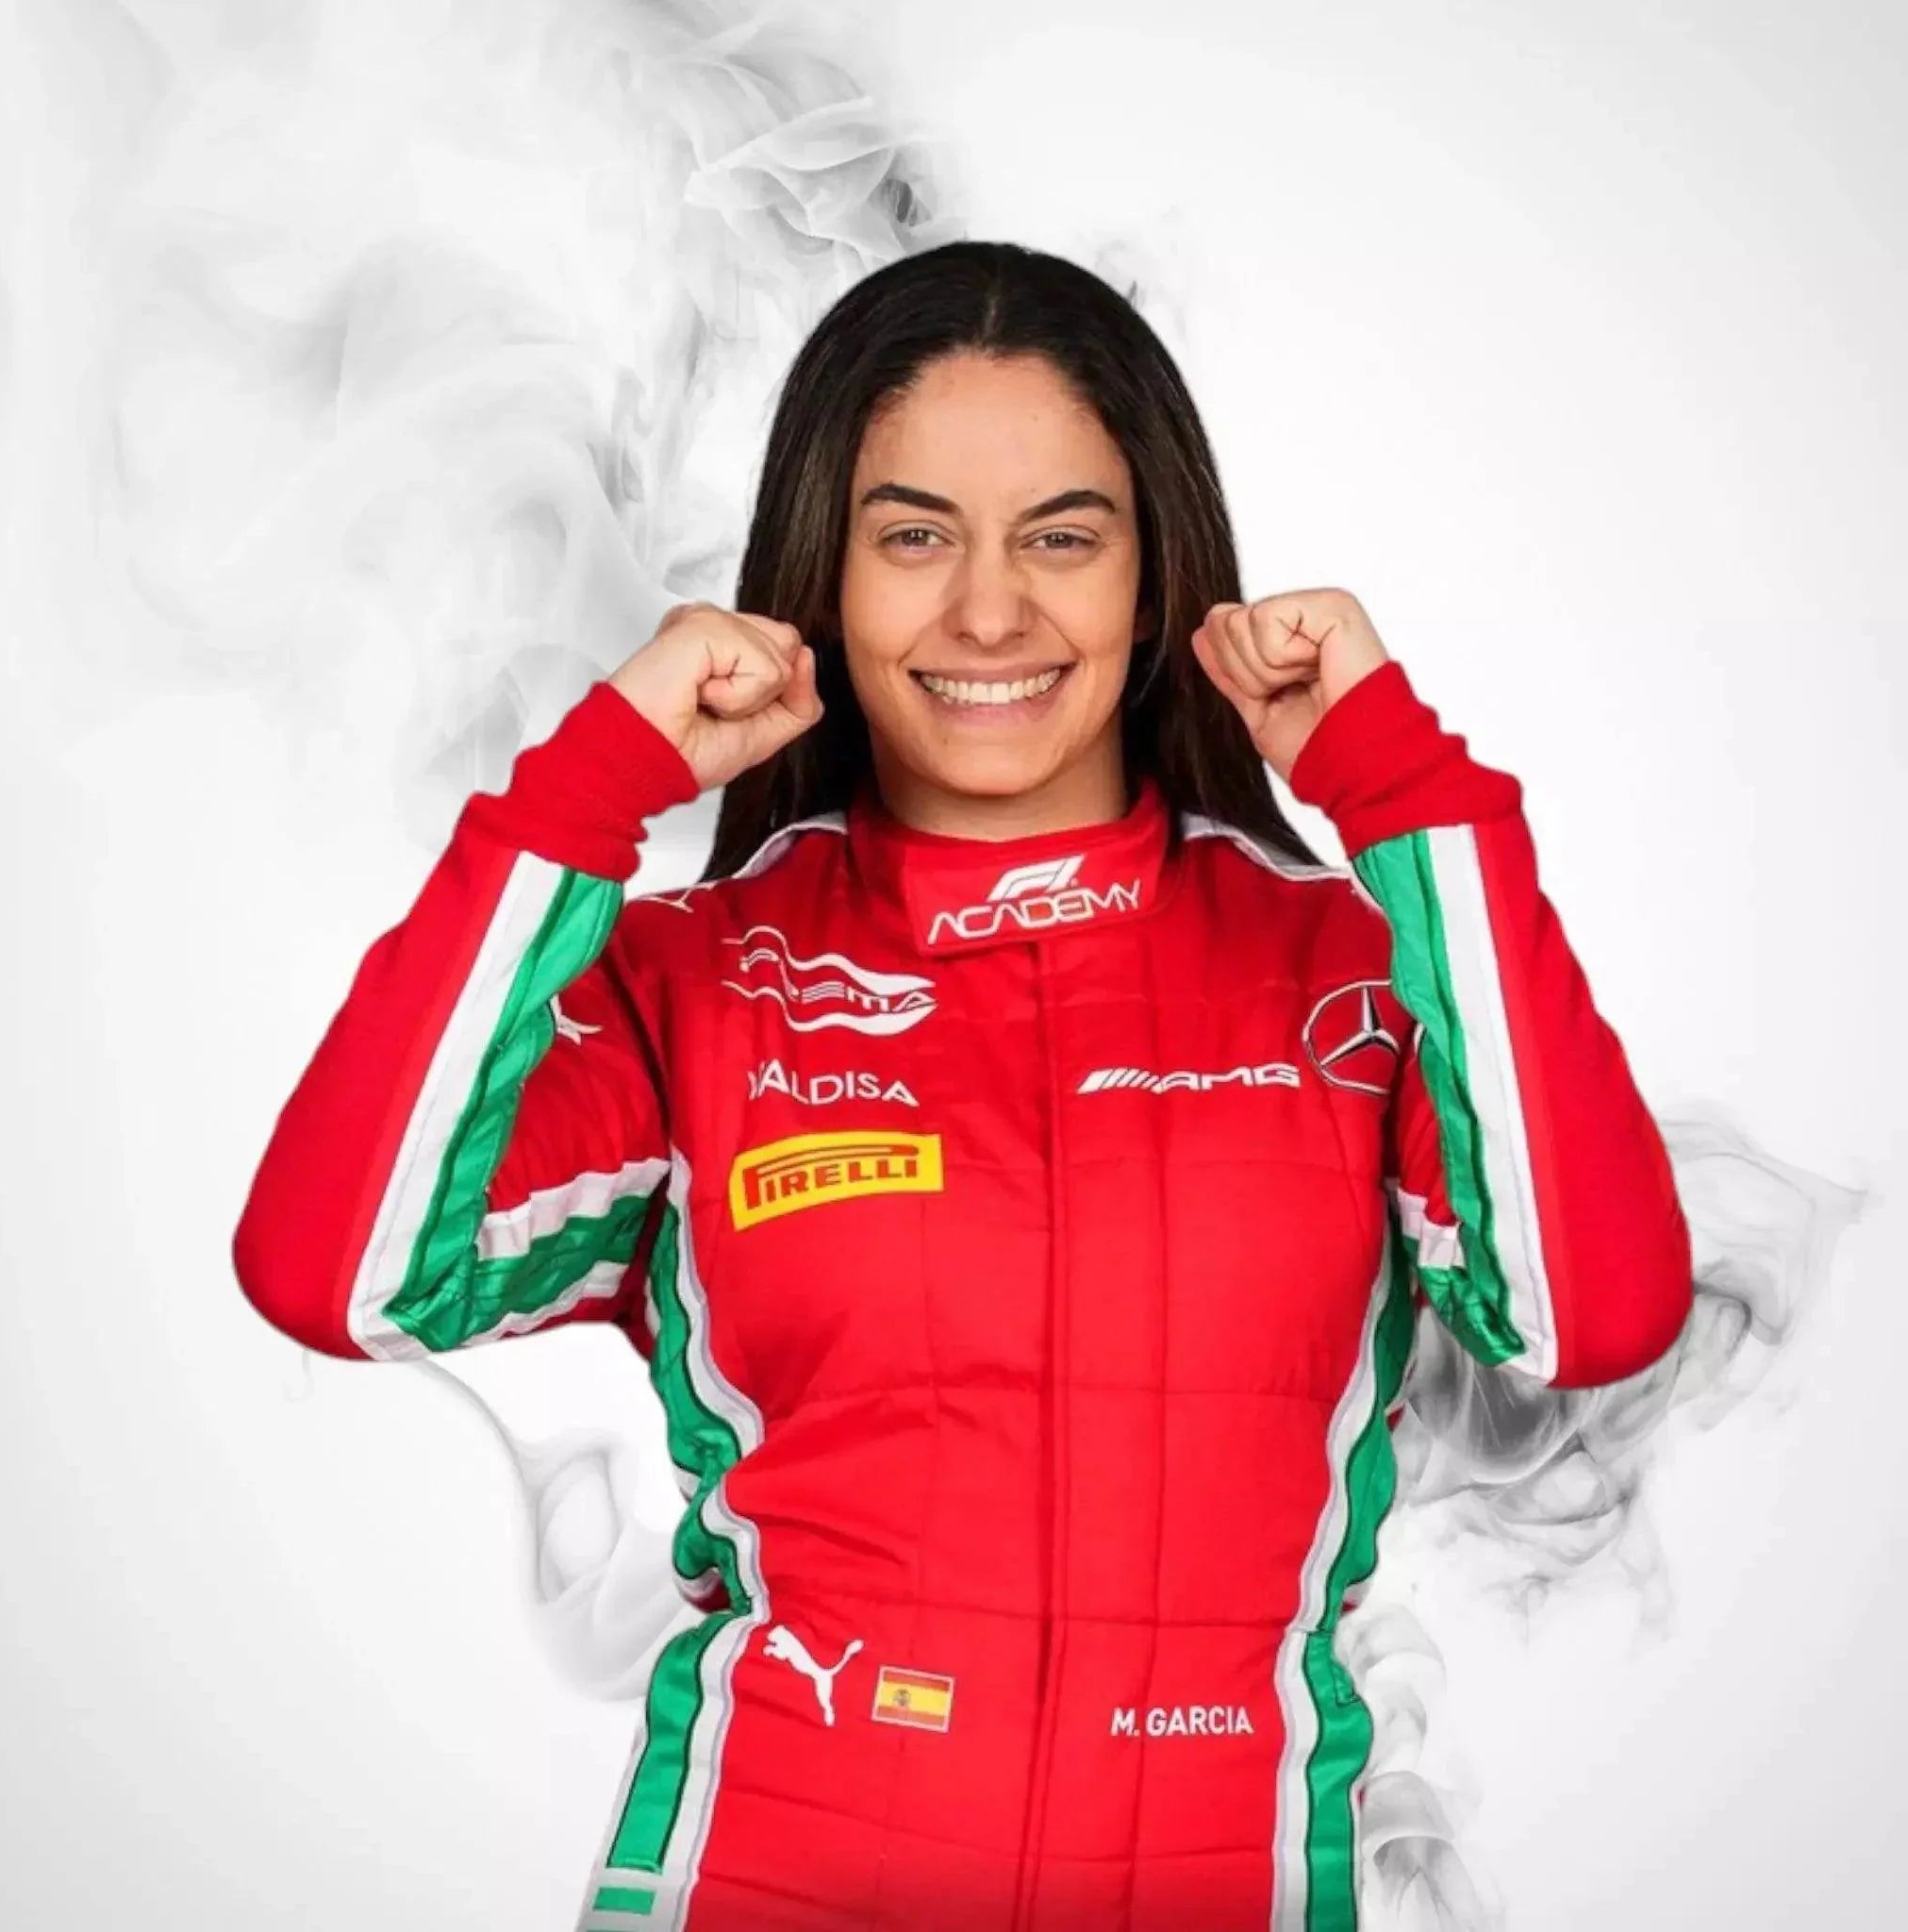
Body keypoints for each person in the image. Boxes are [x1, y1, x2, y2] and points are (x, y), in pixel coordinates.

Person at [232, 240, 1693, 1932]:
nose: (989, 613)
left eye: (1062, 538)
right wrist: (585, 794)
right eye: (914, 537)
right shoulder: (690, 982)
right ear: (825, 581)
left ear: (1154, 578)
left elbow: (1592, 1315)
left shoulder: (1349, 974)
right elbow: (339, 1275)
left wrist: (1407, 794)